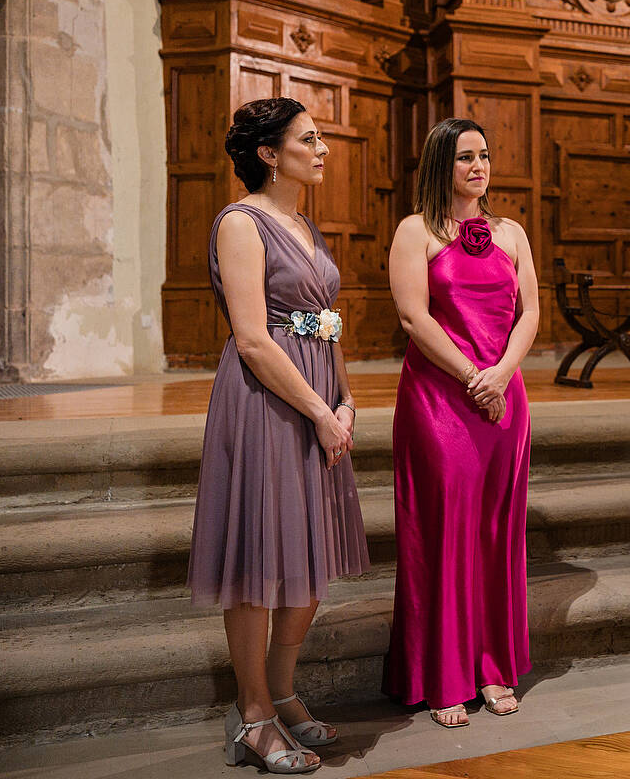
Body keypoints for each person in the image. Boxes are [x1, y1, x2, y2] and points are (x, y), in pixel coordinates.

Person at [188, 97, 369, 774]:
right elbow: (254, 340)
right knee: (259, 562)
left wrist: (345, 396)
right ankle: (255, 716)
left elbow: (324, 321)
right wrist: (319, 413)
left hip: (319, 395)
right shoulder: (241, 222)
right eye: (309, 139)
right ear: (269, 153)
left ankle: (281, 690)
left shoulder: (302, 222)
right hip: (265, 401)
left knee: (309, 561)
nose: (322, 149)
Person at [383, 118, 539, 728]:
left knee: (497, 533)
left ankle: (494, 665)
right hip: (439, 398)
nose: (479, 166)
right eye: (465, 157)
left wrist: (501, 375)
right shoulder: (414, 231)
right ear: (439, 165)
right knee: (442, 530)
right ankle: (442, 672)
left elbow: (530, 314)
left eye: (485, 155)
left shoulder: (513, 233)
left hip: (505, 399)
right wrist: (476, 376)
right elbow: (413, 318)